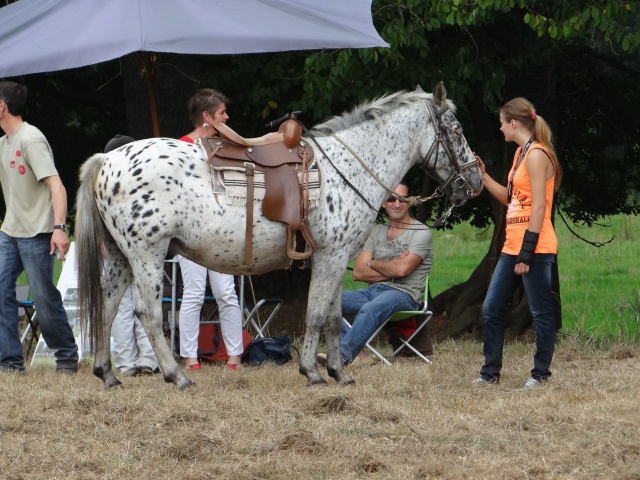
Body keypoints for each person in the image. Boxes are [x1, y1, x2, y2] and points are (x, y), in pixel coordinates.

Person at [473, 97, 562, 389]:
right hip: (512, 247)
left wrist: (527, 252)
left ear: (513, 123)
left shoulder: (537, 154)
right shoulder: (520, 155)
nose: (500, 129)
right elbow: (512, 200)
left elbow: (538, 208)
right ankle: (490, 374)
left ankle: (540, 375)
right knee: (492, 307)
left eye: (501, 123)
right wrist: (483, 175)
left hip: (534, 247)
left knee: (540, 312)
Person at [0, 81, 79, 374]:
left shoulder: (30, 139)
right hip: (10, 231)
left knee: (44, 299)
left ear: (2, 107)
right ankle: (10, 362)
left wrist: (59, 228)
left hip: (37, 233)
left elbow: (57, 187)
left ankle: (67, 356)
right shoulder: (4, 142)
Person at [322, 182, 433, 366]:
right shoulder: (377, 230)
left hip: (405, 294)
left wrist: (374, 264)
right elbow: (358, 272)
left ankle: (341, 357)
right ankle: (360, 357)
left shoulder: (421, 232)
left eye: (402, 199)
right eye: (391, 199)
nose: (396, 204)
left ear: (410, 202)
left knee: (371, 308)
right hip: (373, 292)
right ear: (383, 203)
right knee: (327, 302)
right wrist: (393, 268)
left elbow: (402, 270)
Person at [176, 88, 244, 371]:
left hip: (222, 230)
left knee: (226, 292)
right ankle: (190, 357)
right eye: (221, 113)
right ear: (206, 117)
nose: (226, 117)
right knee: (192, 293)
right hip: (190, 231)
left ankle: (235, 355)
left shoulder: (226, 144)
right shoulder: (179, 147)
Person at [104, 134, 159, 376]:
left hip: (119, 249)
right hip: (134, 248)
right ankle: (146, 360)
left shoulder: (105, 180)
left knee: (125, 307)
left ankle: (128, 362)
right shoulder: (139, 180)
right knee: (141, 302)